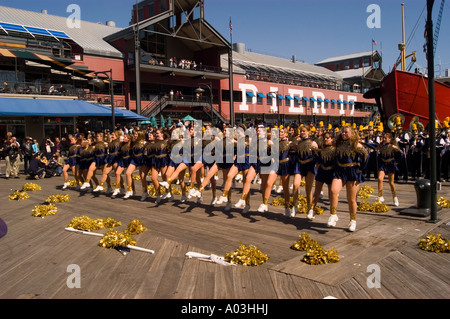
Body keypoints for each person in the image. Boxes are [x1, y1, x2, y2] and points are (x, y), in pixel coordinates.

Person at [328, 126, 368, 232]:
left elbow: (366, 155)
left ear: (351, 133)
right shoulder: (339, 144)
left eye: (346, 132)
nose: (344, 134)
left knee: (351, 199)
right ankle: (333, 214)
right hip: (339, 170)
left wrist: (361, 168)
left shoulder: (356, 145)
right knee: (333, 191)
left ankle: (353, 220)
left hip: (352, 171)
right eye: (342, 132)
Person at [290, 125, 318, 217]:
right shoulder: (298, 142)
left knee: (308, 189)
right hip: (299, 165)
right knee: (295, 185)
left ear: (309, 132)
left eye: (304, 131)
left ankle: (310, 209)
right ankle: (294, 206)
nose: (302, 133)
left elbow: (318, 155)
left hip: (309, 165)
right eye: (301, 131)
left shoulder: (312, 143)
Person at [308, 131, 336, 220]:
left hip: (331, 172)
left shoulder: (335, 150)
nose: (325, 139)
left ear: (332, 139)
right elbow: (317, 159)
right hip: (321, 171)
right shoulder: (321, 149)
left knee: (331, 193)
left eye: (328, 138)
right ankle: (311, 210)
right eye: (324, 138)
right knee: (316, 192)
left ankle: (333, 213)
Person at [377, 132, 402, 207]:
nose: (384, 139)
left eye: (385, 138)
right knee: (380, 179)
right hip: (383, 164)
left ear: (390, 139)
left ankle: (395, 197)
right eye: (383, 138)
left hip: (390, 164)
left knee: (391, 183)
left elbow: (401, 154)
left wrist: (396, 162)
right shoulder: (381, 146)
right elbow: (373, 147)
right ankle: (380, 196)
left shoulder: (392, 146)